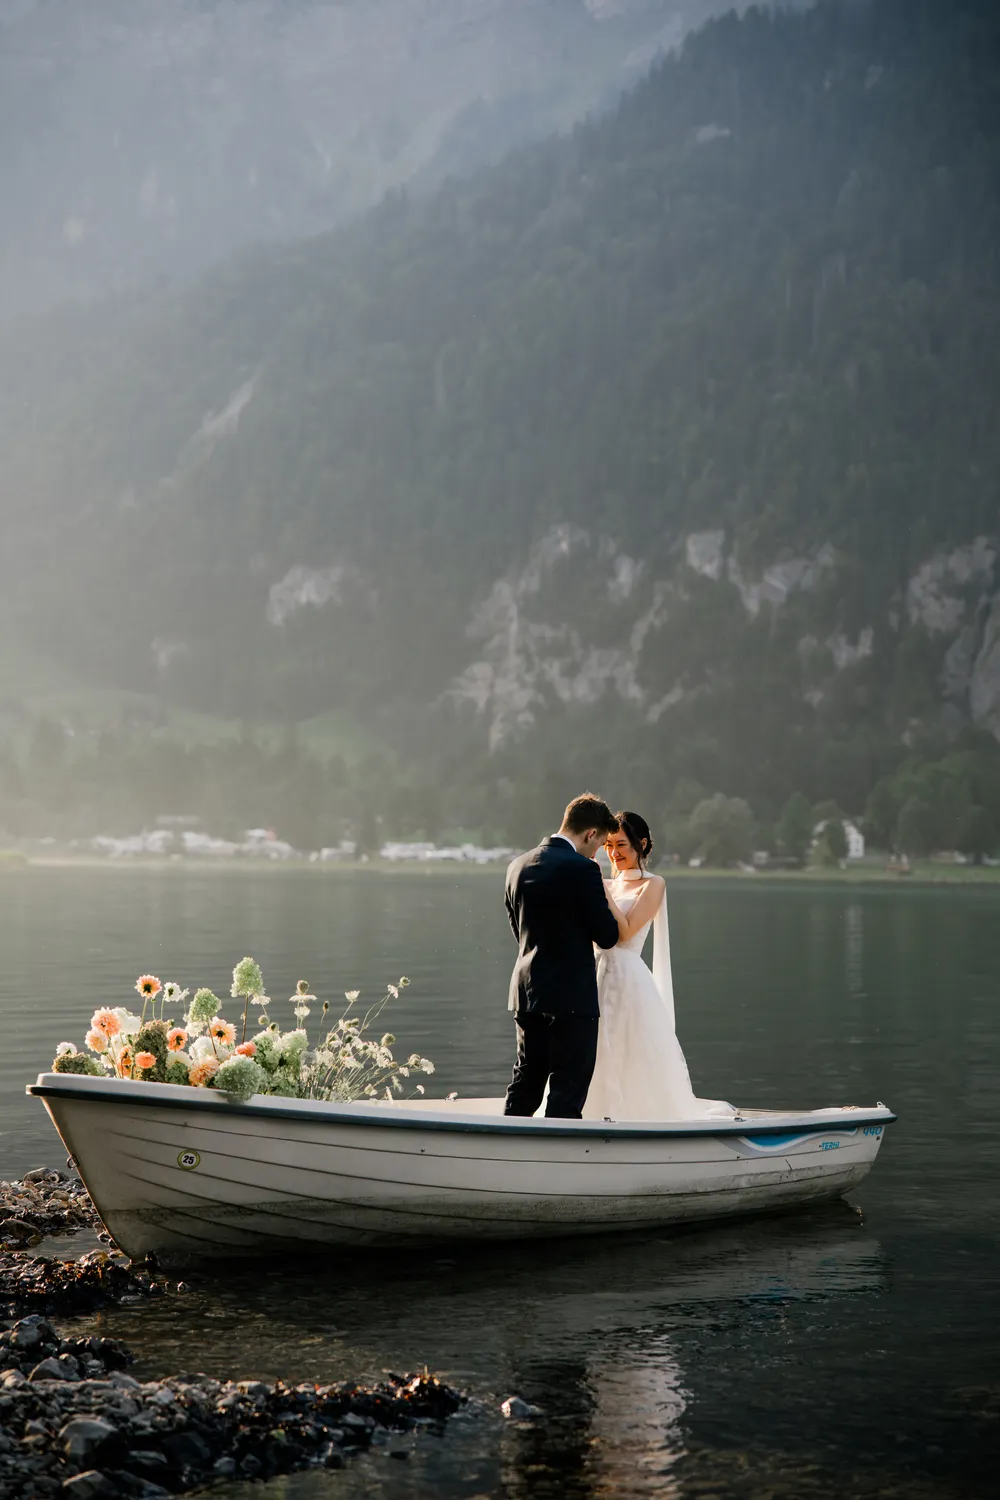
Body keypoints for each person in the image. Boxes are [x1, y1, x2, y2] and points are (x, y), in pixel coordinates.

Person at [584, 810, 734, 1121]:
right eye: (609, 845)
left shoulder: (653, 884)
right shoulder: (606, 883)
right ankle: (589, 1113)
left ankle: (633, 1115)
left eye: (622, 844)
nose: (613, 853)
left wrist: (601, 890)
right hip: (593, 974)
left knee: (629, 1048)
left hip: (628, 976)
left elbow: (626, 932)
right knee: (590, 1048)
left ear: (642, 844)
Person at [503, 793, 620, 1119]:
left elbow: (520, 933)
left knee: (526, 1079)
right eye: (598, 846)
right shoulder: (582, 869)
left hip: (526, 992)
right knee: (568, 1090)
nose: (596, 853)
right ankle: (559, 1161)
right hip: (571, 998)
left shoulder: (517, 865)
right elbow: (608, 936)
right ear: (590, 834)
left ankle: (506, 1152)